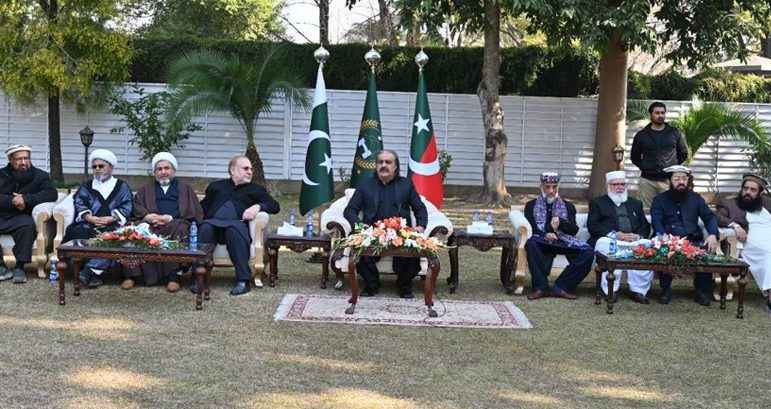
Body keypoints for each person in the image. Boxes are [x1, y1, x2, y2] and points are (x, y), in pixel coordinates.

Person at [343, 149, 428, 299]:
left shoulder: (406, 185)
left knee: (411, 251)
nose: (384, 165)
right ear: (376, 166)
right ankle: (371, 284)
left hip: (400, 232)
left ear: (395, 166)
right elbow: (350, 210)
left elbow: (420, 209)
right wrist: (358, 226)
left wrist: (420, 226)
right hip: (372, 232)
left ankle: (404, 285)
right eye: (380, 162)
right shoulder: (365, 185)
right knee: (358, 245)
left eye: (388, 162)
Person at [198, 155, 280, 295]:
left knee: (233, 230)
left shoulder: (256, 189)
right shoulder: (216, 186)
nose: (250, 171)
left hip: (236, 226)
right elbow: (202, 208)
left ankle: (243, 280)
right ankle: (197, 277)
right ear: (233, 170)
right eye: (245, 168)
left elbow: (275, 206)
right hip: (213, 224)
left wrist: (258, 206)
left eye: (251, 169)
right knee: (205, 228)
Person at [128, 152, 204, 292]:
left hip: (175, 224)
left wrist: (170, 218)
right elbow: (136, 208)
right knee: (138, 229)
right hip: (152, 224)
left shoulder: (185, 188)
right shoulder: (146, 189)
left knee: (180, 228)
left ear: (173, 170)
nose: (163, 172)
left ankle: (173, 276)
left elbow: (194, 212)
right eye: (159, 169)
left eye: (167, 168)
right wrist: (147, 217)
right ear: (154, 172)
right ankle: (134, 276)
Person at [63, 149, 133, 288]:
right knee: (78, 232)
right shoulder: (87, 186)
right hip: (89, 223)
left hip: (112, 224)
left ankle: (89, 271)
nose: (97, 169)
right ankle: (93, 274)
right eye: (94, 167)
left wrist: (111, 218)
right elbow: (79, 202)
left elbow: (128, 205)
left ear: (111, 167)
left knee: (113, 238)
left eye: (101, 166)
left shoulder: (122, 186)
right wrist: (89, 218)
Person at [650, 165, 718, 306]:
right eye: (677, 178)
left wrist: (712, 234)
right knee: (664, 250)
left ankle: (702, 291)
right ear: (669, 181)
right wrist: (664, 239)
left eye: (684, 178)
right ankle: (666, 289)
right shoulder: (659, 200)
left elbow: (710, 217)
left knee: (706, 251)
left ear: (688, 180)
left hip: (692, 241)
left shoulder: (696, 199)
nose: (681, 182)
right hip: (669, 241)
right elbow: (656, 222)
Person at [524, 172, 594, 300]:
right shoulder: (531, 206)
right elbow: (533, 228)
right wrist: (545, 234)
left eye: (554, 187)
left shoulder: (568, 206)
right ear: (541, 187)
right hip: (542, 241)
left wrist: (561, 222)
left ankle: (562, 287)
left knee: (588, 253)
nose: (551, 191)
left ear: (558, 187)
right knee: (531, 244)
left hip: (564, 242)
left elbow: (574, 230)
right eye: (548, 187)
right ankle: (540, 287)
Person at [587, 171, 653, 303]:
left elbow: (645, 226)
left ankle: (638, 290)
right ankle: (610, 290)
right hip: (610, 239)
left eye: (622, 184)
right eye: (616, 184)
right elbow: (592, 225)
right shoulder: (598, 203)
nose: (620, 187)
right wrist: (614, 234)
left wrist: (637, 235)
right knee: (605, 245)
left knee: (647, 246)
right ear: (608, 186)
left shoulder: (635, 204)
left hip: (632, 241)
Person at [0, 144, 57, 283]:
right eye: (19, 159)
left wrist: (26, 199)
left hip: (21, 216)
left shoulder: (40, 176)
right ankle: (1, 266)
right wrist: (11, 200)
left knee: (27, 227)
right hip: (1, 213)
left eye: (26, 158)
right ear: (11, 160)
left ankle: (20, 266)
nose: (23, 162)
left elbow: (51, 194)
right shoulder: (1, 174)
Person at [716, 173, 771, 315]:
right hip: (751, 243)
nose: (748, 192)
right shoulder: (729, 203)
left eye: (753, 190)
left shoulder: (768, 203)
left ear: (760, 193)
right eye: (745, 188)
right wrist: (735, 225)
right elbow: (718, 216)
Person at [631, 101, 688, 208]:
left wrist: (672, 168)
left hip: (668, 181)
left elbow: (683, 153)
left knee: (670, 210)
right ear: (650, 115)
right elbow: (635, 157)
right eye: (657, 113)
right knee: (645, 211)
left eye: (663, 113)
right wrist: (646, 167)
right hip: (647, 181)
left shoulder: (674, 133)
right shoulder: (641, 135)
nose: (660, 115)